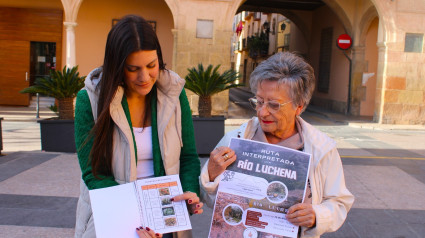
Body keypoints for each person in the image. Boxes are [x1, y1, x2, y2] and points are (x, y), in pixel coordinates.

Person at [74, 15, 203, 238]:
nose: (144, 77)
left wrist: (190, 190)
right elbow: (93, 172)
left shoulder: (173, 93)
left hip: (167, 221)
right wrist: (136, 218)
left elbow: (189, 157)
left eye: (151, 65)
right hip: (114, 218)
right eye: (133, 69)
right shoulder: (90, 99)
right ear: (117, 66)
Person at [200, 52, 354, 237]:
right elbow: (211, 202)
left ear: (299, 105)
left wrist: (316, 215)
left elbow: (339, 203)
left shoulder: (321, 148)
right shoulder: (237, 140)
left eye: (273, 105)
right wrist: (211, 175)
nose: (262, 112)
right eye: (259, 101)